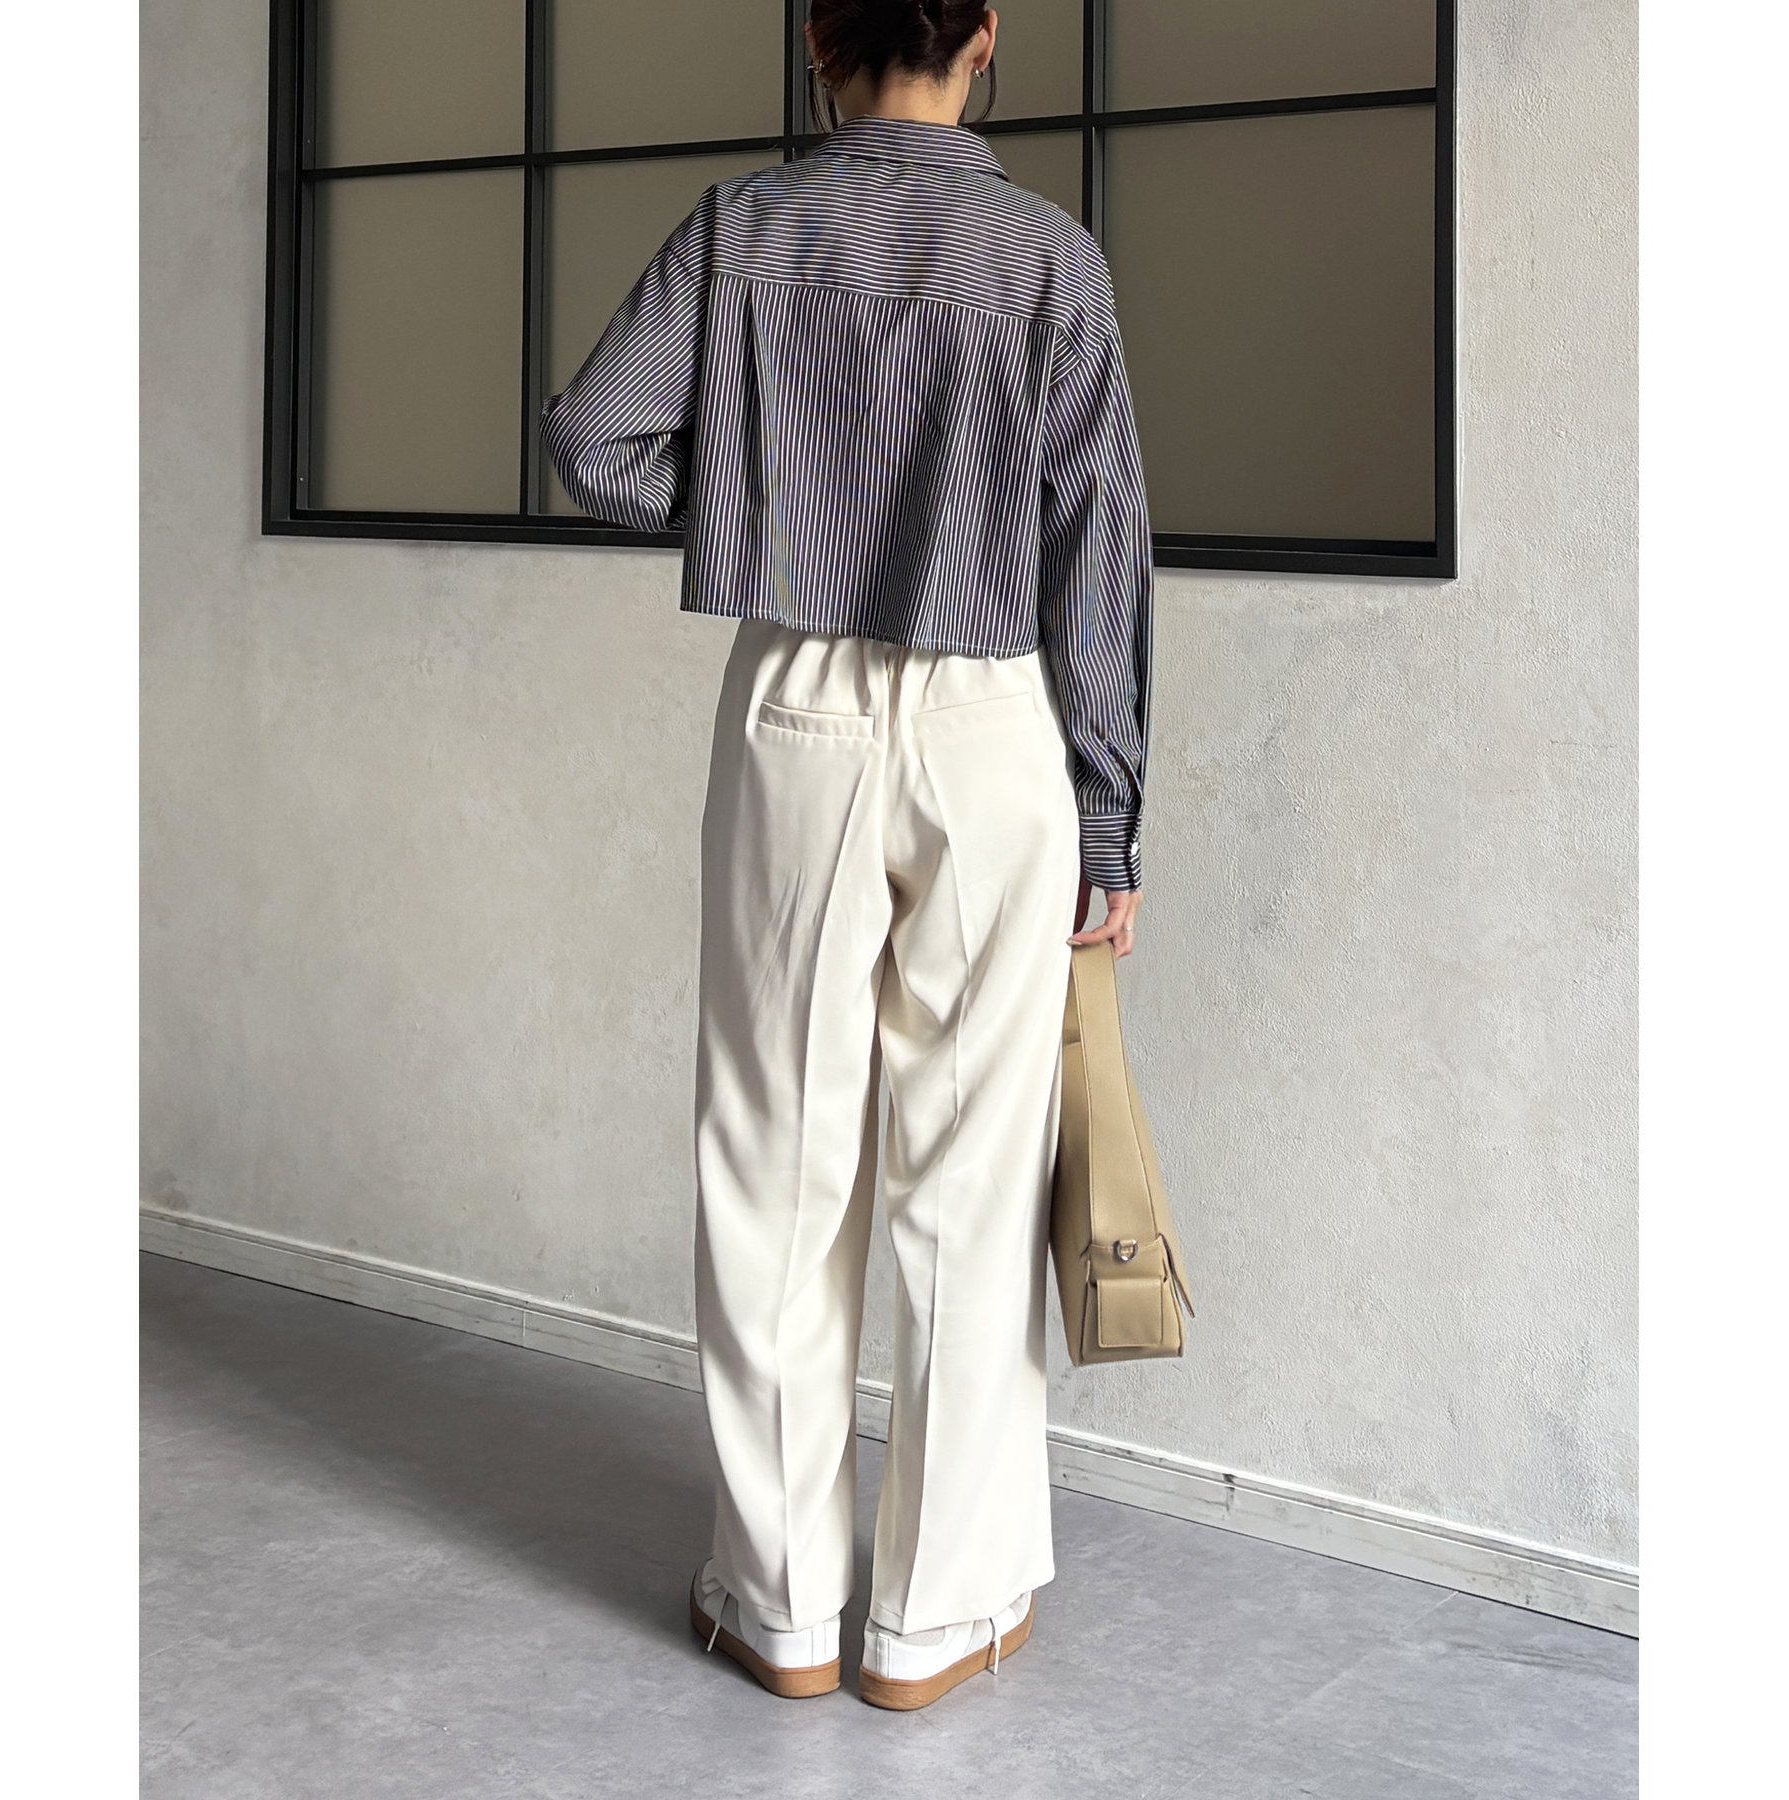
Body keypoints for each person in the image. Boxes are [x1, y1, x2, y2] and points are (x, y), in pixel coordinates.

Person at [542, 0, 1152, 1712]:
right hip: (993, 725)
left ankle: (780, 1605)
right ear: (985, 36)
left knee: (777, 1156)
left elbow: (591, 438)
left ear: (820, 41)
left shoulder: (744, 230)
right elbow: (1095, 551)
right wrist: (1108, 812)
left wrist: (765, 505)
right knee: (971, 1172)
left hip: (797, 700)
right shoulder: (1052, 263)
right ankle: (934, 1620)